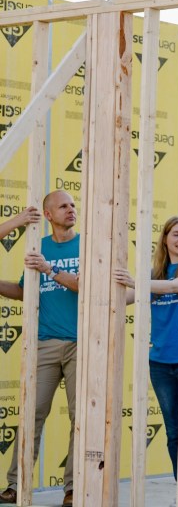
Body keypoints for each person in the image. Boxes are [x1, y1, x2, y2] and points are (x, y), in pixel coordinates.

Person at [112, 216, 178, 506]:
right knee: (173, 432)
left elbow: (177, 286)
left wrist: (137, 282)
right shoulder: (154, 272)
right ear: (166, 239)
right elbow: (125, 298)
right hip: (160, 362)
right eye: (177, 234)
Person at [0, 191, 80, 507]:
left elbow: (87, 283)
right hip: (45, 343)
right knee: (31, 416)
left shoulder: (85, 245)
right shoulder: (40, 245)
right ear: (48, 214)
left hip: (81, 344)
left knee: (80, 419)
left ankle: (74, 489)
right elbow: (23, 291)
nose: (71, 209)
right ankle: (16, 485)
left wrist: (49, 269)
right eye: (64, 206)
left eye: (73, 205)